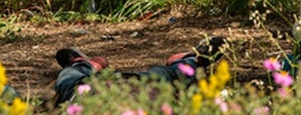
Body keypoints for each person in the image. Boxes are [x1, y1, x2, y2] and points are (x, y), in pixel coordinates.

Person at [53, 36, 226, 106]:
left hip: (93, 91)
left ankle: (83, 64)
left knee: (70, 78)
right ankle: (190, 60)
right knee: (168, 75)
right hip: (140, 87)